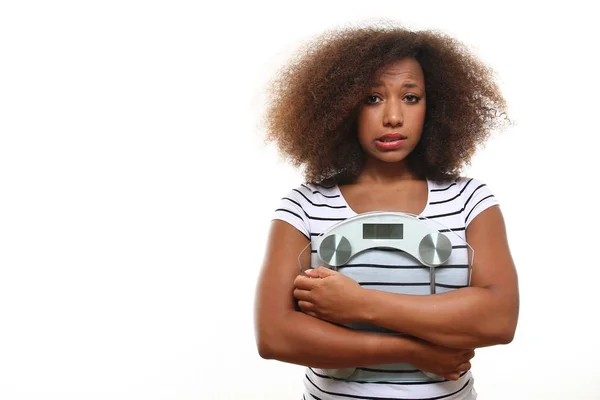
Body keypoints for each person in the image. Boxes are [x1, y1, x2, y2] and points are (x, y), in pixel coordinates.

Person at [254, 24, 519, 400]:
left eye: (411, 97)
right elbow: (274, 335)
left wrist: (361, 304)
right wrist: (411, 351)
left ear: (435, 103)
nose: (393, 117)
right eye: (372, 98)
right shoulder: (305, 205)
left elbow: (499, 319)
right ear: (341, 105)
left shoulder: (470, 200)